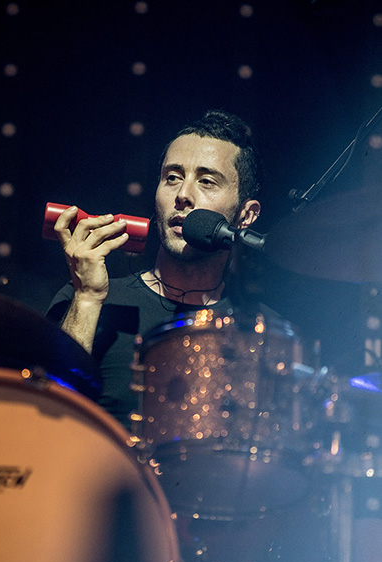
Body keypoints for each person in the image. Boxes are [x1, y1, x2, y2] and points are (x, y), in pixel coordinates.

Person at [47, 109, 264, 428]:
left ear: (246, 216)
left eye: (206, 182)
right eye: (172, 177)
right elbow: (45, 415)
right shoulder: (86, 298)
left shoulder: (262, 331)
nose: (183, 195)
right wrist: (88, 298)